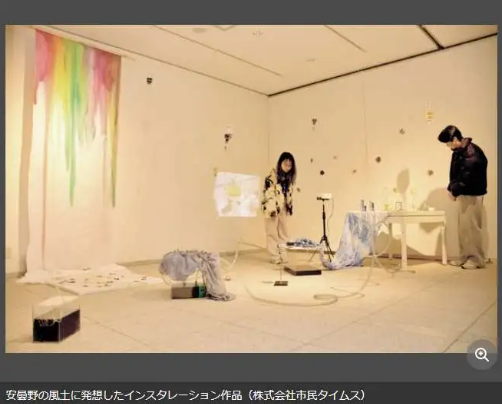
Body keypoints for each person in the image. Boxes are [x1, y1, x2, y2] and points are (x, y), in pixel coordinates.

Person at [437, 125, 488, 269]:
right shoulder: (459, 151)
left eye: (448, 143)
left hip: (472, 194)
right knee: (464, 228)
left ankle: (477, 260)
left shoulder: (471, 154)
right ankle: (465, 257)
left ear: (455, 139)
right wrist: (452, 189)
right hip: (464, 193)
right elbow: (455, 173)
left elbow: (467, 178)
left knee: (472, 227)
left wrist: (454, 191)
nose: (447, 146)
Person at [261, 152, 297, 264]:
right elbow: (268, 194)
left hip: (283, 207)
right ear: (280, 163)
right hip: (272, 208)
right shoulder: (271, 177)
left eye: (290, 165)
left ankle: (283, 253)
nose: (287, 167)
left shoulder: (289, 179)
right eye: (285, 164)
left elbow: (289, 194)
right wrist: (272, 210)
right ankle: (274, 255)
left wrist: (289, 206)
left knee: (284, 231)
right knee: (272, 232)